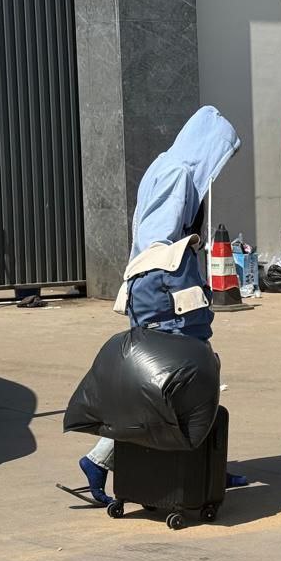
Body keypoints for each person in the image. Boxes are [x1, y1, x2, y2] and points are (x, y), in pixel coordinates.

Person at [75, 107, 249, 504]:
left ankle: (204, 466)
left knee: (162, 388)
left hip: (156, 286)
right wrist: (182, 293)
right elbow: (159, 243)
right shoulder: (178, 175)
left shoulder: (165, 165)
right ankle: (102, 460)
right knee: (184, 381)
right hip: (162, 288)